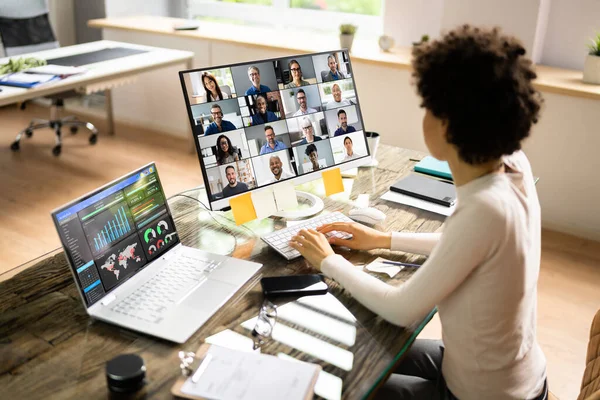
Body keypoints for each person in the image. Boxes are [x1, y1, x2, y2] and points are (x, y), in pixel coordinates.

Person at [289, 25, 547, 400]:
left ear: (447, 124)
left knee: (343, 384)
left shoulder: (484, 209)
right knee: (361, 346)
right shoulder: (512, 165)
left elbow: (402, 309)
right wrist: (382, 239)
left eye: (427, 107)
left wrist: (328, 260)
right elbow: (468, 246)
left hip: (488, 394)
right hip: (505, 372)